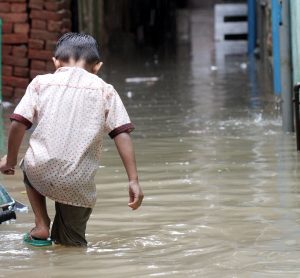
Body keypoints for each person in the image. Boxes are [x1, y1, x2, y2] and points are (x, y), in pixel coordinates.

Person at [0, 33, 144, 247]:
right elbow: (121, 133)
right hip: (78, 181)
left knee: (27, 163)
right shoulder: (106, 91)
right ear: (97, 67)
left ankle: (41, 224)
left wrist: (9, 161)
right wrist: (133, 180)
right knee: (72, 244)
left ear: (56, 62)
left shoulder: (41, 83)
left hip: (40, 169)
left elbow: (18, 123)